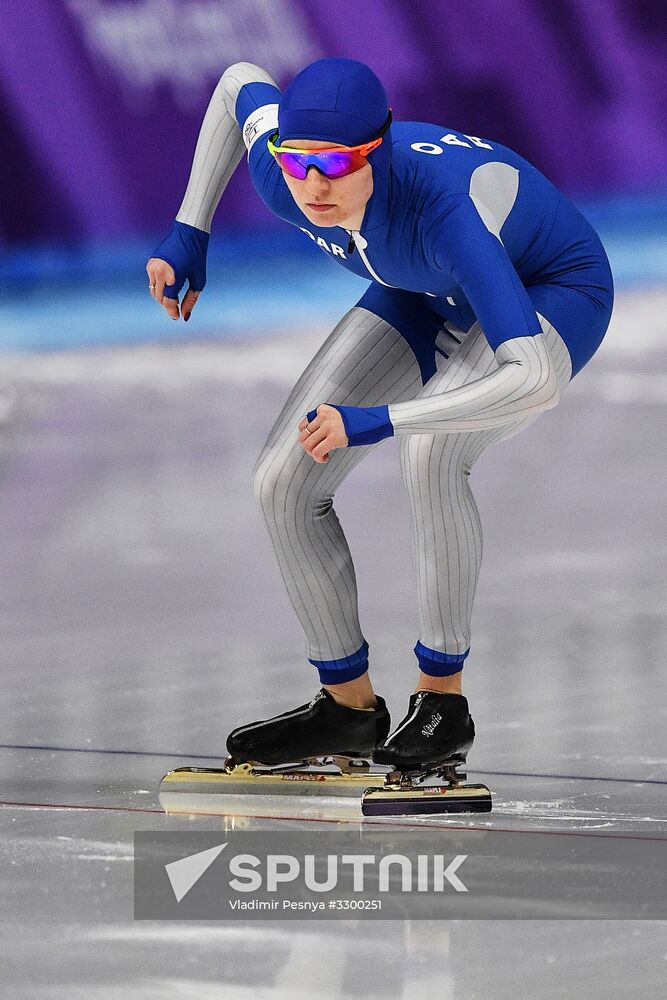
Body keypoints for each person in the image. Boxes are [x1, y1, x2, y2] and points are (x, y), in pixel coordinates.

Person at [147, 58, 613, 776]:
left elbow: (535, 379)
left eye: (337, 164)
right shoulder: (285, 172)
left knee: (429, 451)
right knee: (282, 481)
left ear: (381, 148)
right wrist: (189, 228)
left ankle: (443, 703)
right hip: (417, 286)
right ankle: (347, 709)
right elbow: (240, 81)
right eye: (299, 163)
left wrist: (381, 419)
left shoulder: (446, 214)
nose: (315, 186)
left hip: (545, 287)